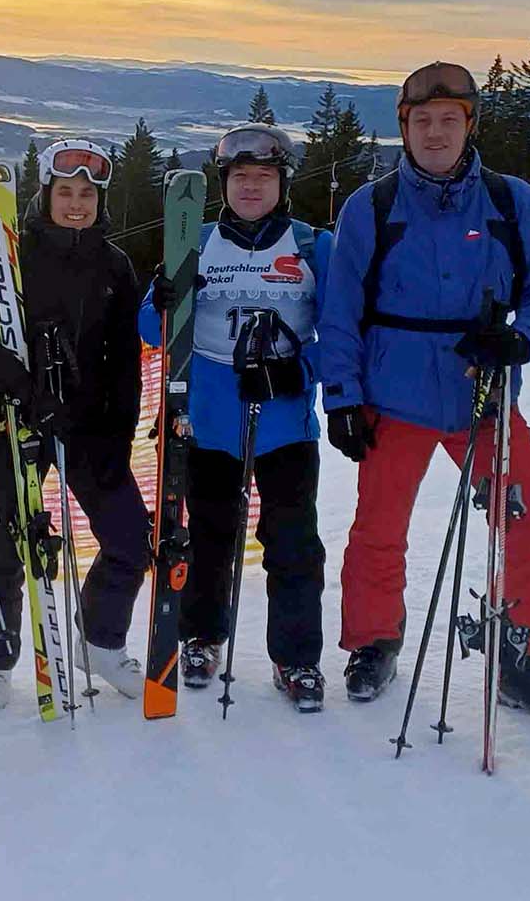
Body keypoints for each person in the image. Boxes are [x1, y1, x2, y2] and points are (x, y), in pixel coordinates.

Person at [317, 61, 530, 722]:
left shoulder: (514, 204)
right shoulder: (371, 208)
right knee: (379, 530)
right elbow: (341, 309)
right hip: (394, 396)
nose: (435, 134)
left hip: (483, 398)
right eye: (422, 121)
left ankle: (523, 658)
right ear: (404, 128)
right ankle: (375, 639)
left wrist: (522, 340)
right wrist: (343, 397)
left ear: (470, 124)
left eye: (449, 120)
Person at [138, 124, 334, 711]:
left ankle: (296, 657)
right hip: (210, 418)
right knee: (209, 535)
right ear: (224, 183)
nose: (252, 187)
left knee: (293, 542)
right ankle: (201, 637)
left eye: (265, 177)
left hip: (285, 421)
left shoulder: (310, 245)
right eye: (241, 177)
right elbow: (152, 330)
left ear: (282, 184)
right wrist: (166, 296)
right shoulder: (194, 242)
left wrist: (301, 370)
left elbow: (347, 329)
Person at [0, 138, 151, 712]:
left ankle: (101, 640)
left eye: (87, 194)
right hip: (18, 419)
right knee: (8, 543)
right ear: (45, 195)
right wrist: (22, 387)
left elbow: (126, 364)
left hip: (90, 427)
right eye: (65, 191)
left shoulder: (115, 266)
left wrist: (117, 438)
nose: (75, 203)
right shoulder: (9, 254)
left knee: (129, 537)